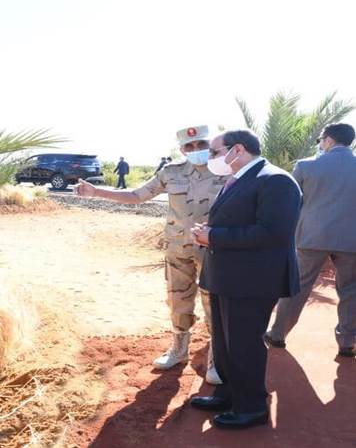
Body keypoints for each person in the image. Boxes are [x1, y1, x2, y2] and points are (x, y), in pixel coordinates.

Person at [76, 126, 227, 384]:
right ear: (181, 149)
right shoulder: (171, 172)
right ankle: (179, 349)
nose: (195, 149)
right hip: (177, 249)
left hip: (213, 250)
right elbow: (137, 196)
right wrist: (97, 192)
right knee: (177, 300)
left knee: (214, 302)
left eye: (201, 144)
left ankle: (217, 358)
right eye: (189, 146)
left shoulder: (225, 170)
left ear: (210, 144)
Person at [189, 129, 301, 429]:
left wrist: (214, 236)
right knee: (225, 344)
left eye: (214, 151)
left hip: (252, 280)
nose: (210, 158)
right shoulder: (240, 178)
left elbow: (273, 232)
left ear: (237, 150)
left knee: (244, 345)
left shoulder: (275, 180)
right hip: (228, 277)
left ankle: (251, 407)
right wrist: (208, 233)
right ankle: (229, 394)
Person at [265, 123, 356, 357]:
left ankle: (278, 335)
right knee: (351, 291)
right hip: (351, 241)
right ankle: (347, 343)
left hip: (311, 237)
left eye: (320, 140)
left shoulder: (306, 166)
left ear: (329, 140)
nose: (320, 144)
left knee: (298, 286)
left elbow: (290, 199)